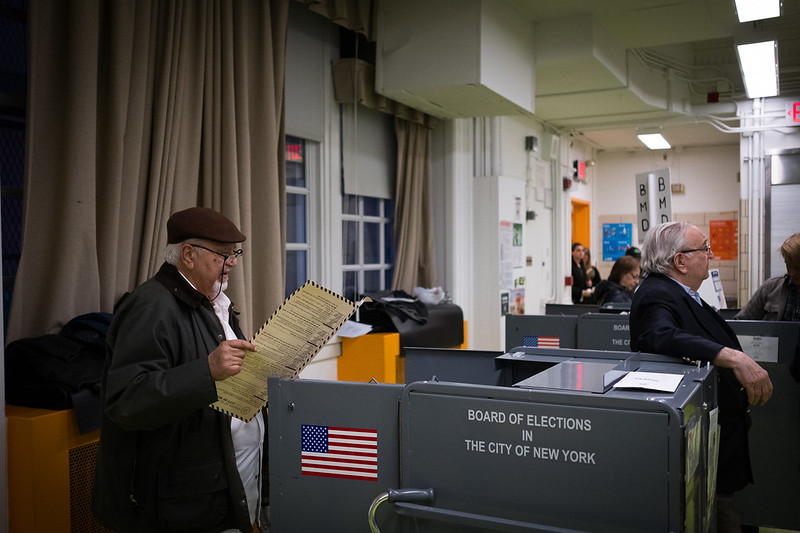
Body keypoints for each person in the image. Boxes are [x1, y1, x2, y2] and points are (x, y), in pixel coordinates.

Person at [92, 207, 267, 533]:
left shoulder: (214, 301)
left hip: (214, 491)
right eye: (225, 255)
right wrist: (207, 370)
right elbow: (126, 400)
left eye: (236, 253)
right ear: (188, 254)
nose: (234, 263)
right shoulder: (151, 307)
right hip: (177, 506)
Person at [629, 221, 773, 533]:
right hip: (699, 437)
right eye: (704, 248)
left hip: (719, 433)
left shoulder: (681, 292)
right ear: (680, 261)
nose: (712, 254)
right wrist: (733, 357)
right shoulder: (657, 293)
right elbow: (659, 333)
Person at [735, 232, 800, 322]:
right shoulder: (771, 288)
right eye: (788, 265)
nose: (791, 272)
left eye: (797, 267)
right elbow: (740, 322)